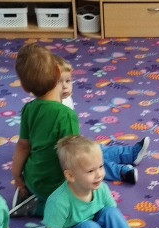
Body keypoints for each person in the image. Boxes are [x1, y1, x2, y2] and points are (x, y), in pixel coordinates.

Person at [53, 54, 150, 185]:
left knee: (98, 149)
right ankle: (121, 172)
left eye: (68, 81)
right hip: (65, 154)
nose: (65, 86)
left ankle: (130, 154)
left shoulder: (65, 99)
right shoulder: (55, 109)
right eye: (59, 82)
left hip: (73, 143)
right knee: (89, 163)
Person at [9, 43, 79, 218]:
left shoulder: (28, 109)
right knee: (87, 202)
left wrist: (17, 175)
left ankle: (33, 200)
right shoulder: (66, 114)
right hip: (55, 187)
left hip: (32, 180)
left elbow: (23, 145)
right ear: (57, 73)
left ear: (25, 87)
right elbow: (74, 156)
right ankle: (37, 208)